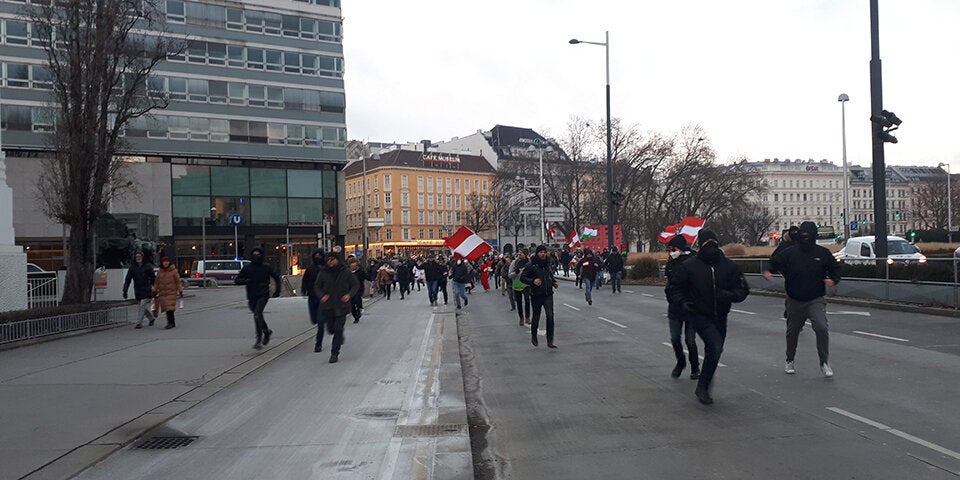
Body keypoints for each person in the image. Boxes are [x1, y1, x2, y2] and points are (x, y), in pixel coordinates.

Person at [666, 230, 749, 405]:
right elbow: (674, 288)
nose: (710, 245)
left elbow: (742, 289)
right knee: (715, 345)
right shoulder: (690, 266)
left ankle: (703, 385)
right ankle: (702, 385)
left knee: (715, 351)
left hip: (721, 315)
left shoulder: (728, 266)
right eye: (707, 241)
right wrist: (683, 302)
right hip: (699, 314)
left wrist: (727, 295)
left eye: (713, 241)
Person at [764, 221, 841, 378]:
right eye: (803, 235)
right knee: (792, 332)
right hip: (795, 298)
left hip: (815, 298)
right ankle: (790, 359)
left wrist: (833, 279)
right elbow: (774, 261)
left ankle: (824, 362)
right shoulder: (790, 252)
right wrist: (768, 270)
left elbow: (835, 268)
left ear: (813, 236)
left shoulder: (822, 253)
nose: (805, 238)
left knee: (821, 327)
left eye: (808, 236)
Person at [314, 248, 361, 363]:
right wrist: (321, 295)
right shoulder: (323, 273)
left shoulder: (345, 271)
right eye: (328, 260)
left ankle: (334, 353)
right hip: (328, 305)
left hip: (342, 305)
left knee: (338, 328)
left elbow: (355, 284)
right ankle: (338, 336)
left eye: (332, 259)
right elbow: (317, 286)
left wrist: (349, 295)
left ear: (337, 260)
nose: (330, 262)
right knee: (331, 329)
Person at [663, 236, 700, 379]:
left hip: (691, 306)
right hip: (675, 307)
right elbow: (669, 283)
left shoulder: (694, 261)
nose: (671, 252)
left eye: (673, 249)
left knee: (690, 340)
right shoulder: (671, 262)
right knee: (675, 338)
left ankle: (695, 367)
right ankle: (681, 361)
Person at [235, 247, 282, 350]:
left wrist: (277, 290)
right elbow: (237, 280)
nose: (256, 257)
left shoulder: (265, 267)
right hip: (252, 296)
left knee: (257, 315)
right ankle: (266, 331)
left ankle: (258, 339)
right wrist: (246, 281)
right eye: (254, 255)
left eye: (258, 255)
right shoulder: (247, 268)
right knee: (258, 315)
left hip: (263, 294)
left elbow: (276, 277)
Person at [520, 245, 559, 348]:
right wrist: (533, 281)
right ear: (537, 253)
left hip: (548, 294)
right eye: (541, 252)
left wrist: (553, 282)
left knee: (550, 316)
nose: (543, 254)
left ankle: (550, 340)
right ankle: (534, 335)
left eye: (544, 252)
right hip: (536, 294)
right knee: (536, 316)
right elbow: (522, 278)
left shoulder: (547, 264)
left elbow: (549, 275)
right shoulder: (531, 265)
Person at [122, 251, 156, 329]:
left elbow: (153, 278)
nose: (138, 258)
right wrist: (125, 291)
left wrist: (155, 288)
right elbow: (127, 280)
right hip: (138, 290)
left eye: (140, 256)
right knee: (141, 307)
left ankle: (139, 323)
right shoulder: (132, 268)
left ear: (142, 257)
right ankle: (151, 318)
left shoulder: (148, 266)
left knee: (142, 305)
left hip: (147, 289)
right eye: (137, 257)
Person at [301, 249, 326, 352]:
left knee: (320, 321)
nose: (318, 257)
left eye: (320, 255)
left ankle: (318, 344)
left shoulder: (326, 269)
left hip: (323, 298)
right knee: (314, 319)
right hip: (312, 297)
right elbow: (305, 280)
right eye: (316, 255)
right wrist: (304, 290)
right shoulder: (310, 269)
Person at [151, 256, 183, 330]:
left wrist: (180, 290)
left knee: (169, 308)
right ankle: (171, 322)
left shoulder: (174, 271)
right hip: (162, 293)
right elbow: (156, 283)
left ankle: (170, 323)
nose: (166, 263)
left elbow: (178, 282)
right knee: (166, 307)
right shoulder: (160, 272)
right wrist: (154, 290)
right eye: (164, 262)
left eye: (167, 262)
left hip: (171, 292)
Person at [509, 249, 532, 325]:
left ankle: (527, 317)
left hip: (526, 285)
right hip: (517, 285)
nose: (519, 254)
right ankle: (521, 318)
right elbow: (509, 275)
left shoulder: (529, 263)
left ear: (525, 254)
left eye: (521, 253)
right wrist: (516, 273)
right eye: (519, 253)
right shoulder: (514, 263)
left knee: (527, 301)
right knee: (519, 303)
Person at [348, 258, 369, 323]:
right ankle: (355, 316)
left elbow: (366, 276)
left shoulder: (360, 271)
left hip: (359, 289)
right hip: (350, 290)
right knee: (352, 304)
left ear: (357, 265)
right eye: (352, 266)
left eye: (354, 266)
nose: (353, 267)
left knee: (357, 300)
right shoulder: (347, 272)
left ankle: (359, 310)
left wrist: (371, 279)